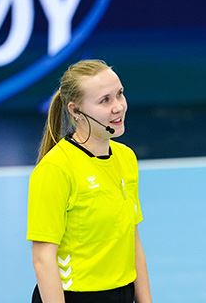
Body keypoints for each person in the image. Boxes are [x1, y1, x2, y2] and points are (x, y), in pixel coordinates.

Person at [27, 59, 152, 303]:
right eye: (104, 100)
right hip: (75, 296)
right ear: (75, 111)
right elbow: (43, 258)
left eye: (119, 94)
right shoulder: (55, 169)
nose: (118, 107)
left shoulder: (126, 158)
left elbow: (132, 239)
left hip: (123, 293)